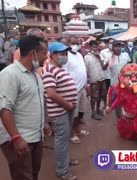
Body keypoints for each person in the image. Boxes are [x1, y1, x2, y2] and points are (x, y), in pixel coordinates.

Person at [0, 35, 50, 180]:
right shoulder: (10, 74)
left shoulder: (35, 74)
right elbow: (4, 109)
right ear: (33, 53)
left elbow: (37, 101)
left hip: (35, 136)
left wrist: (44, 123)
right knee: (23, 176)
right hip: (19, 139)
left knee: (33, 173)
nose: (46, 57)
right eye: (43, 53)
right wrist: (16, 137)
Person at [42, 42, 79, 180]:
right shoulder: (49, 70)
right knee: (61, 141)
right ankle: (62, 171)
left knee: (64, 139)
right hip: (60, 111)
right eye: (62, 54)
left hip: (66, 110)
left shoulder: (59, 69)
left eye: (66, 54)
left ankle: (65, 161)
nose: (65, 56)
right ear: (52, 55)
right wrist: (68, 105)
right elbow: (51, 93)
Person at [63, 35, 90, 144]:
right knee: (73, 113)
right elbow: (64, 73)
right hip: (73, 90)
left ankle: (78, 129)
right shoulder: (66, 56)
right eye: (72, 43)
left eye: (77, 43)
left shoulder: (79, 55)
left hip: (82, 87)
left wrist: (87, 85)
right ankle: (73, 133)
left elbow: (83, 70)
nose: (75, 45)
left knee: (81, 112)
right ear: (68, 44)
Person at [85, 40, 109, 120]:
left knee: (101, 95)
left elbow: (103, 68)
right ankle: (93, 113)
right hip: (93, 80)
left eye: (97, 47)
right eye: (94, 47)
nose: (95, 49)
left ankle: (98, 109)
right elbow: (86, 71)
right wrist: (88, 83)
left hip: (101, 79)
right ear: (90, 47)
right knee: (94, 97)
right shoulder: (87, 57)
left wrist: (105, 63)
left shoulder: (100, 56)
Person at [107, 40, 131, 118]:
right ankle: (119, 117)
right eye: (116, 46)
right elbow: (104, 68)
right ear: (113, 47)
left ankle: (126, 116)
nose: (118, 48)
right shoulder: (110, 57)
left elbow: (130, 66)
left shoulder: (126, 55)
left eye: (119, 46)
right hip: (115, 84)